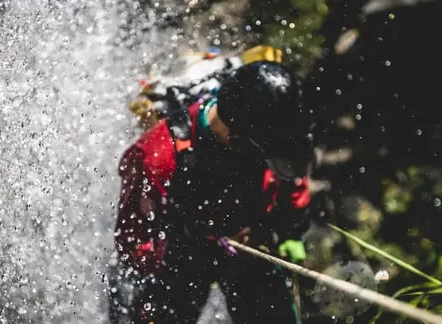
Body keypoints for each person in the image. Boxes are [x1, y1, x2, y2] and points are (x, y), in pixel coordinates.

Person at [110, 61, 318, 323]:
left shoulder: (272, 135)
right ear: (235, 136)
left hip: (250, 244)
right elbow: (133, 243)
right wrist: (196, 242)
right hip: (177, 260)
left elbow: (292, 173)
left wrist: (291, 228)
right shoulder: (156, 158)